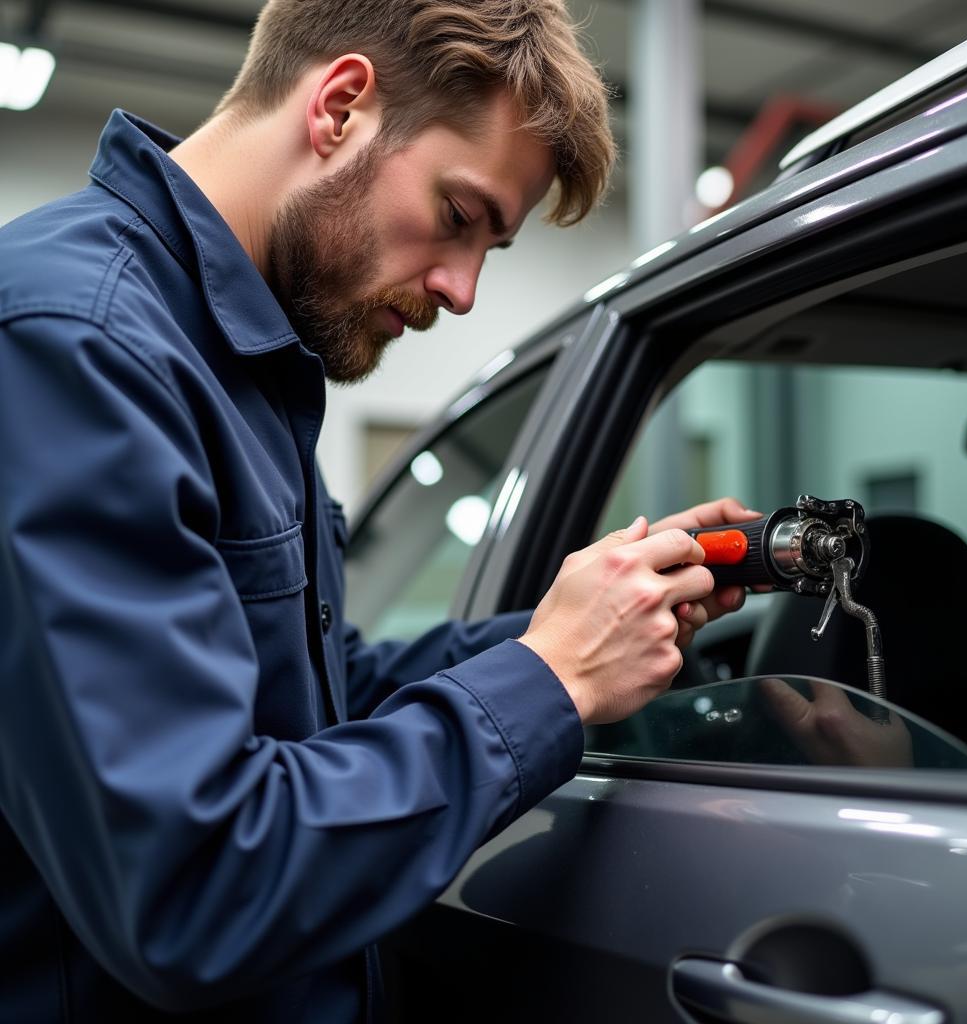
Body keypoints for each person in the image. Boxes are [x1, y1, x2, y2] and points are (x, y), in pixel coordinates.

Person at [0, 1, 758, 1020]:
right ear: (341, 107)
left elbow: (319, 695)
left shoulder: (247, 364)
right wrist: (549, 681)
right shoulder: (77, 348)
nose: (462, 291)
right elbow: (193, 886)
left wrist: (595, 617)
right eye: (459, 217)